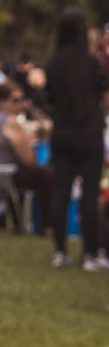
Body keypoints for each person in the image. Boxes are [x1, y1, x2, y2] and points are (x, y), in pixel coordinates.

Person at [44, 6, 109, 272]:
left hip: (62, 134)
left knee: (61, 192)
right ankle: (90, 253)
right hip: (89, 135)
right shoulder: (93, 63)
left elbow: (49, 99)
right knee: (90, 194)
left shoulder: (53, 63)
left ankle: (60, 251)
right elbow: (107, 96)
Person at [0, 80, 53, 233]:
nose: (21, 104)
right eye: (15, 100)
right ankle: (47, 226)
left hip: (5, 174)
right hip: (4, 177)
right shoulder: (10, 122)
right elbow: (29, 159)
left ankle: (18, 224)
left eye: (22, 100)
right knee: (45, 173)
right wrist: (29, 139)